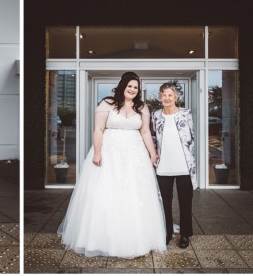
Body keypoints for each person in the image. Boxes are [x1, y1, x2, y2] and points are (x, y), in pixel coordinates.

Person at [57, 71, 167, 258]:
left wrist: (153, 153)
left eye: (136, 87)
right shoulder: (107, 103)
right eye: (130, 85)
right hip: (109, 152)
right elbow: (98, 129)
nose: (132, 89)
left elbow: (146, 132)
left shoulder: (142, 107)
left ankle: (135, 239)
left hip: (134, 155)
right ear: (123, 85)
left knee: (133, 193)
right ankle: (99, 239)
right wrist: (98, 152)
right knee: (106, 191)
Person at [152, 81, 196, 249]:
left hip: (183, 166)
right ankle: (167, 232)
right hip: (163, 166)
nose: (167, 98)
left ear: (176, 97)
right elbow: (155, 139)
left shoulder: (186, 113)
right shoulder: (156, 115)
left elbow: (190, 137)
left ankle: (185, 234)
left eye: (170, 95)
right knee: (165, 202)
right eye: (164, 95)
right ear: (160, 97)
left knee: (186, 202)